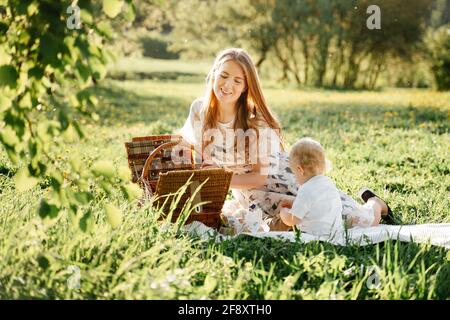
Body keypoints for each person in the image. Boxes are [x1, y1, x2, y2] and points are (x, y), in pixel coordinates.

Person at [179, 48, 392, 231]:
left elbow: (259, 178)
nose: (228, 85)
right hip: (248, 194)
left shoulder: (255, 119)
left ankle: (375, 204)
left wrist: (217, 182)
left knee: (352, 221)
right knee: (266, 223)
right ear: (214, 74)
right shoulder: (199, 110)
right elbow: (197, 155)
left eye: (237, 80)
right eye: (224, 76)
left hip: (286, 181)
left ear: (245, 86)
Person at [279, 137, 389, 238]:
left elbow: (292, 220)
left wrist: (284, 211)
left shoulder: (305, 190)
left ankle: (376, 203)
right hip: (335, 232)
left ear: (300, 170)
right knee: (366, 222)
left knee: (370, 221)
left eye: (294, 173)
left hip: (320, 235)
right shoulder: (328, 183)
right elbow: (315, 206)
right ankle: (374, 205)